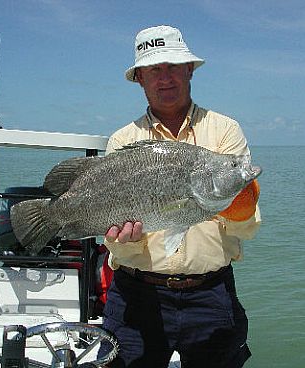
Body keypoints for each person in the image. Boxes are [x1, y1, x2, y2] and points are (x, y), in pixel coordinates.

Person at [101, 25, 261, 368]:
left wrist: (242, 198)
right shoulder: (121, 141)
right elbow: (116, 245)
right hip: (136, 295)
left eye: (173, 66)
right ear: (140, 79)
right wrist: (124, 240)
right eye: (154, 70)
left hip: (211, 294)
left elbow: (245, 229)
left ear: (189, 69)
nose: (165, 78)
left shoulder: (225, 131)